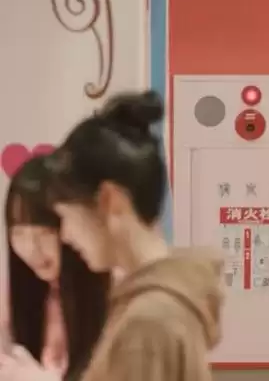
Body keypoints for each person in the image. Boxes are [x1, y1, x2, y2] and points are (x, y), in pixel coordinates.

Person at [4, 91, 224, 381]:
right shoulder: (155, 304)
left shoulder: (148, 321)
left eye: (68, 217)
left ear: (110, 201)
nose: (66, 235)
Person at [0, 155, 110, 381]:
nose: (31, 249)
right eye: (18, 232)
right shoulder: (15, 298)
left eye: (45, 232)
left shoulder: (114, 299)